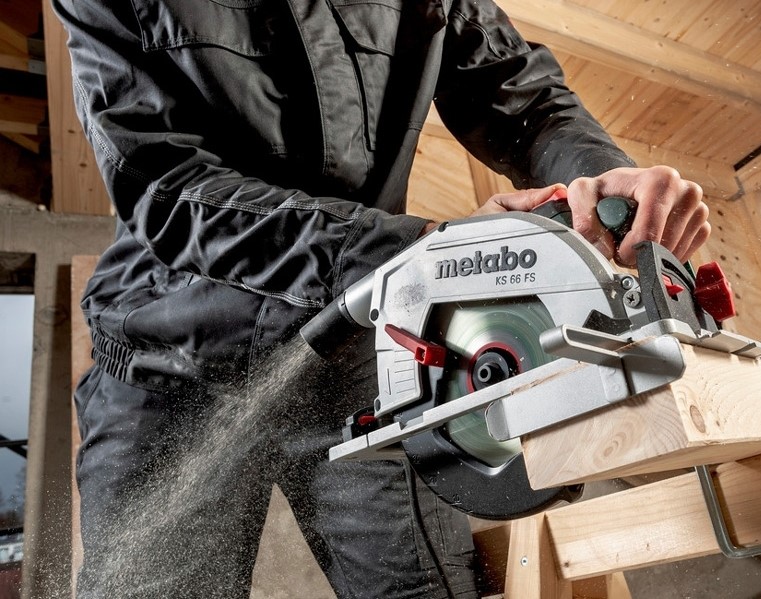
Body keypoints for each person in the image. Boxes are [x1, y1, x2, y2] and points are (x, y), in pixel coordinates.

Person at [52, 0, 709, 597]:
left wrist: (598, 176)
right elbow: (166, 187)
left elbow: (522, 98)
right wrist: (423, 251)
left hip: (364, 354)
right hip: (169, 367)